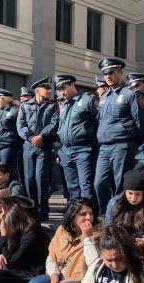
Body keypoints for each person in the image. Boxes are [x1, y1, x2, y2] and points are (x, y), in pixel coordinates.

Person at [25, 198, 96, 283]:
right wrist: (53, 274)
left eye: (90, 213)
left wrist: (88, 238)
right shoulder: (62, 231)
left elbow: (95, 267)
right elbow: (51, 256)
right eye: (83, 214)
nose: (88, 218)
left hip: (81, 281)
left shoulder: (97, 234)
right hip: (60, 275)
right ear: (72, 216)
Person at [94, 57, 144, 214]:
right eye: (105, 74)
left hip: (123, 145)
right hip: (104, 147)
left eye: (111, 72)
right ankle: (106, 215)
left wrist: (134, 143)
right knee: (99, 183)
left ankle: (119, 216)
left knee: (120, 185)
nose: (108, 76)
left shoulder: (131, 94)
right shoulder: (104, 97)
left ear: (121, 72)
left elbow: (142, 122)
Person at [17, 76, 59, 221]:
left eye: (50, 88)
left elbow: (54, 124)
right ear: (37, 90)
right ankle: (31, 210)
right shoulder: (25, 105)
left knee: (41, 178)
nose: (49, 90)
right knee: (29, 179)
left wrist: (41, 136)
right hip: (29, 147)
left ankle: (42, 211)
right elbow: (21, 125)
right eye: (46, 88)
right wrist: (31, 138)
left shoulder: (52, 106)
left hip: (44, 146)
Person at [0, 204, 50, 283]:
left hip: (31, 273)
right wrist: (2, 255)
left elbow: (11, 261)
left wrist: (3, 234)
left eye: (7, 225)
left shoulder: (31, 235)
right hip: (21, 266)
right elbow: (11, 251)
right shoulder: (23, 231)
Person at [55, 74, 98, 202]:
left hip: (84, 150)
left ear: (72, 85)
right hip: (67, 151)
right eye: (59, 89)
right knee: (72, 186)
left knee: (86, 186)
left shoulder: (87, 100)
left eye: (63, 88)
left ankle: (89, 215)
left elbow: (98, 122)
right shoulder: (64, 105)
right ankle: (76, 216)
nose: (61, 92)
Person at [104, 165, 144, 239]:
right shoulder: (114, 203)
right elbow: (109, 226)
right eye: (130, 193)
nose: (133, 198)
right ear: (125, 191)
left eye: (138, 194)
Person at [0, 87, 20, 179]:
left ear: (4, 99)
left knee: (6, 174)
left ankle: (8, 192)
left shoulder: (14, 112)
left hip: (7, 147)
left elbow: (19, 130)